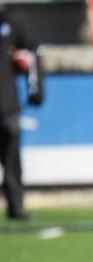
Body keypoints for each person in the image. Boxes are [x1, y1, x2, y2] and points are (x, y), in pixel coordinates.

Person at [0, 4, 43, 220]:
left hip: (6, 101)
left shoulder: (11, 20)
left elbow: (31, 52)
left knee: (11, 157)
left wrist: (36, 89)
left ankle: (16, 205)